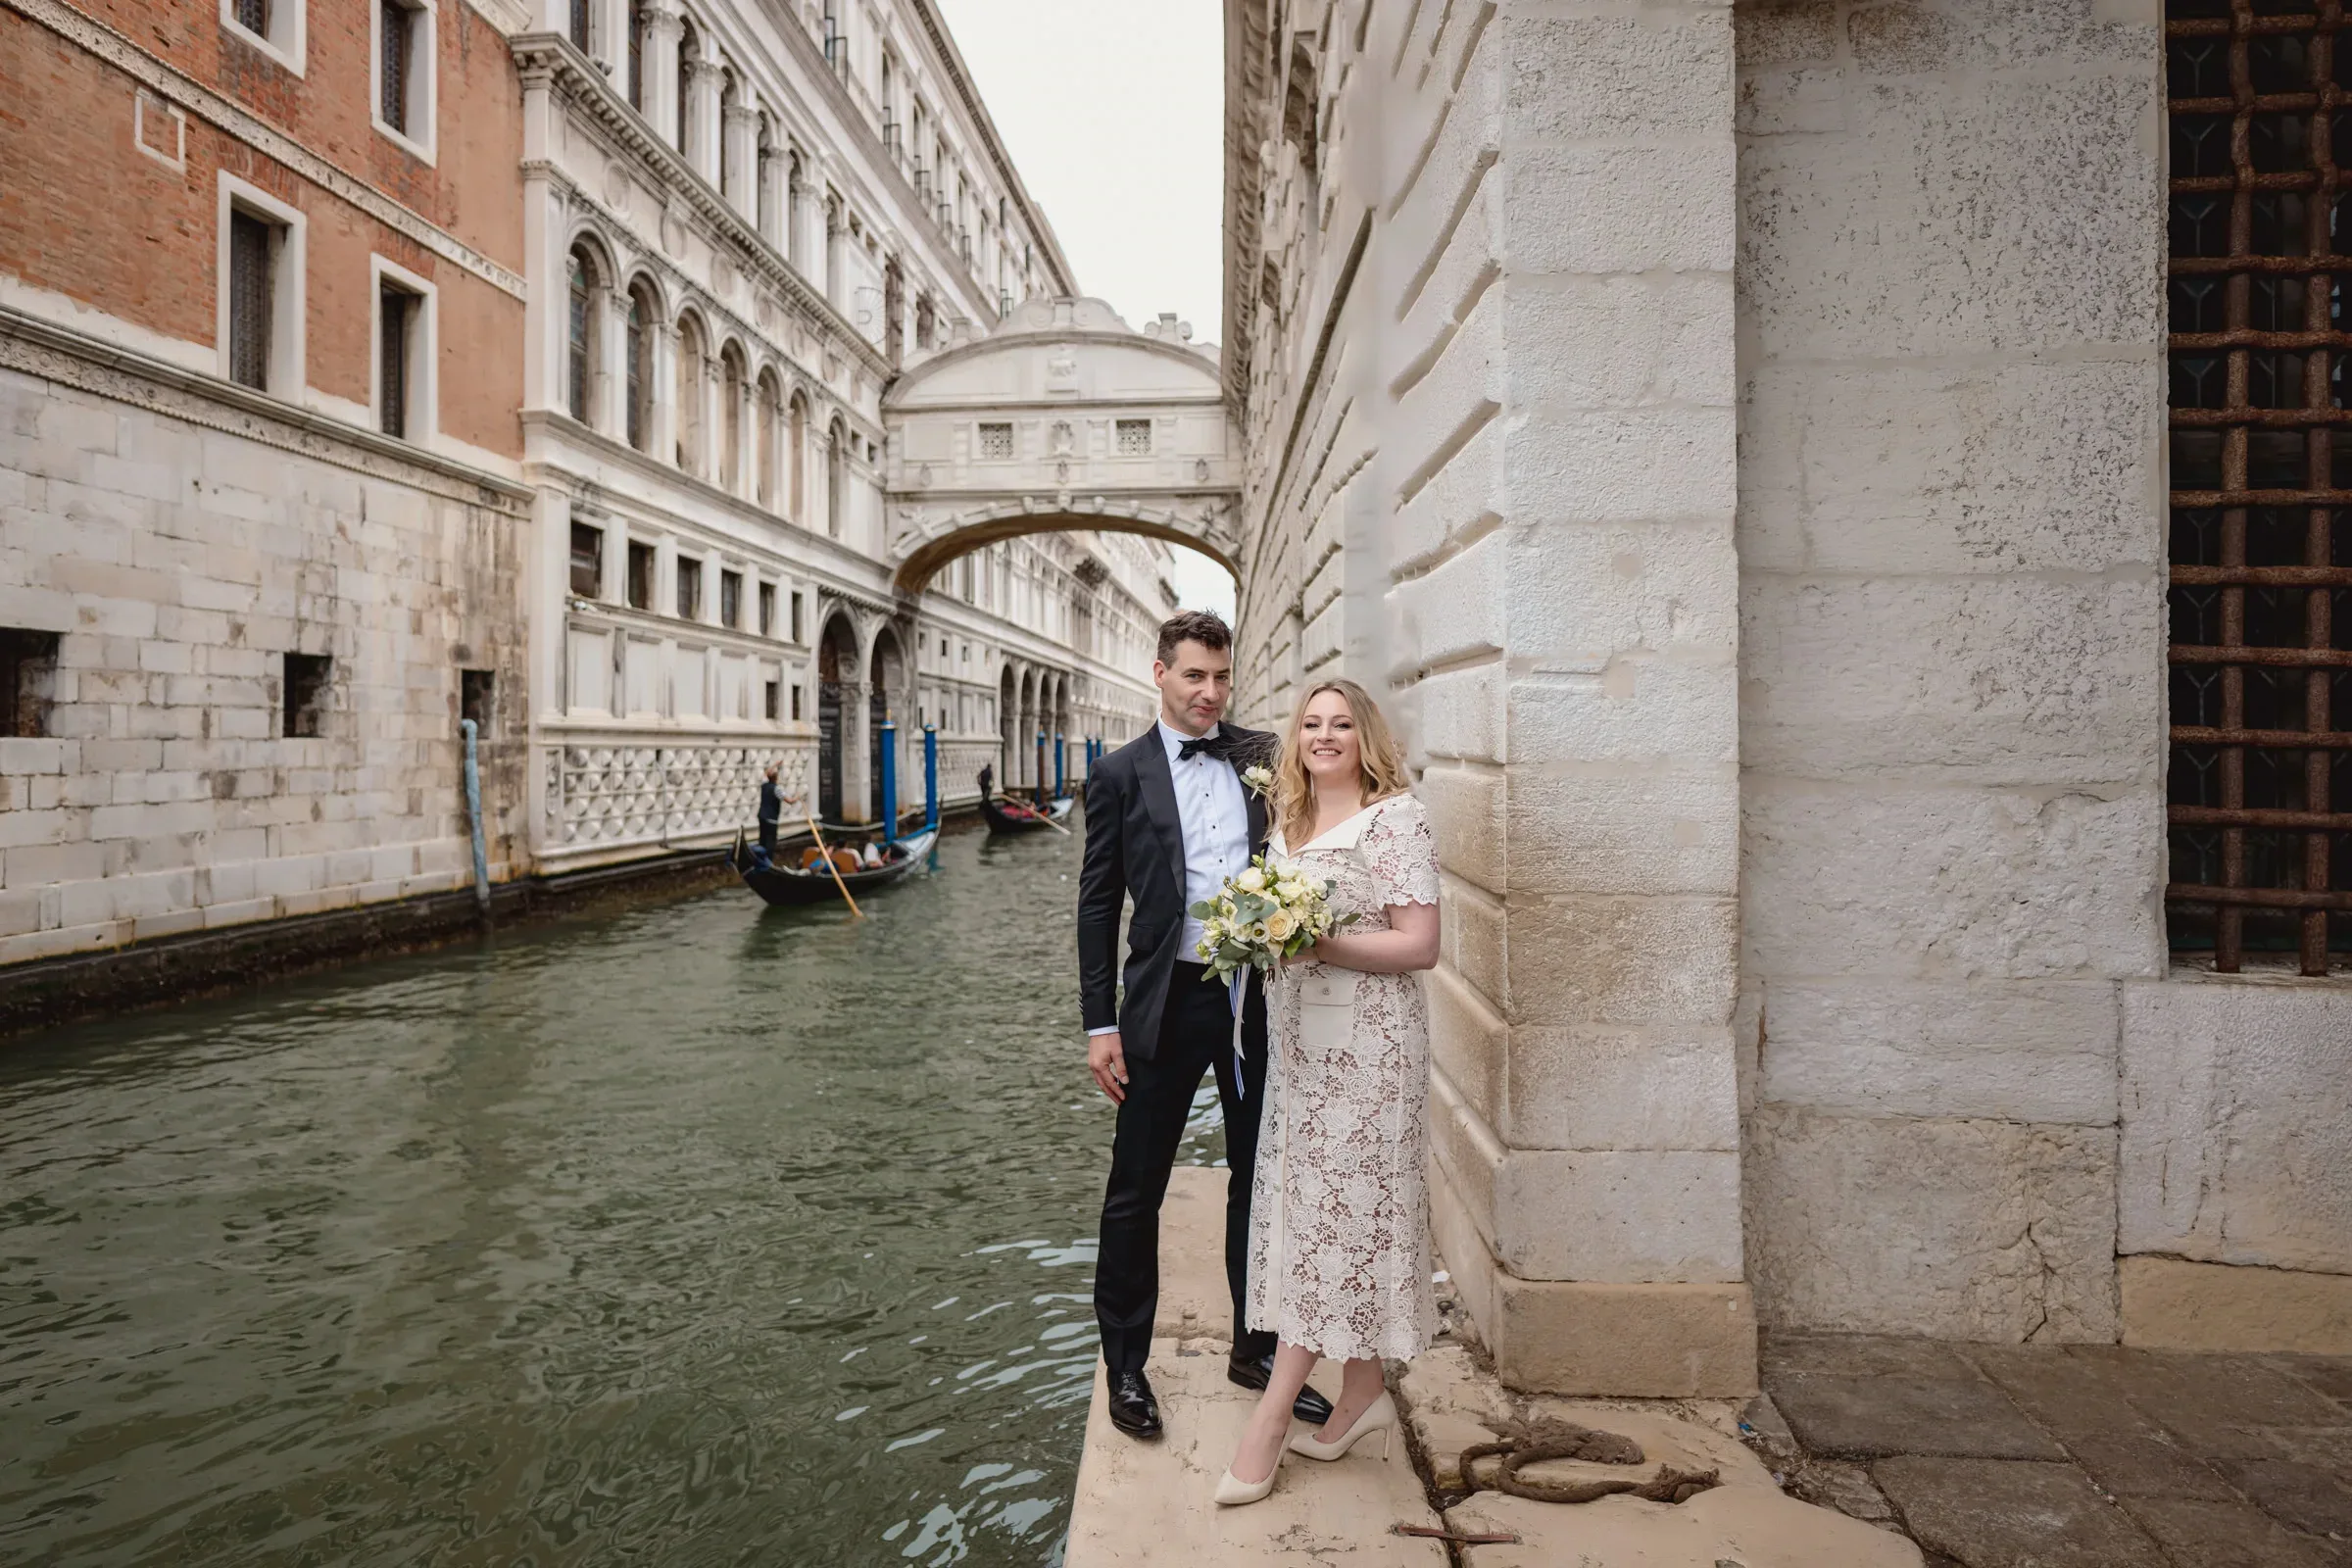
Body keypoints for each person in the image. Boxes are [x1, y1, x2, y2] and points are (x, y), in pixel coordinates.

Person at [1076, 611, 1335, 1444]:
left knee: (1261, 1175)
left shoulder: (1264, 756)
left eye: (1221, 678)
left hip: (1260, 995)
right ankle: (1125, 1364)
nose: (1210, 694)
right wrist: (1097, 1024)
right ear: (1161, 674)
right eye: (1194, 677)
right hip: (1164, 999)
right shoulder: (1119, 774)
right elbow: (1097, 906)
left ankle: (1255, 1350)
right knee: (1135, 1187)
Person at [1216, 678, 1441, 1507]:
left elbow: (1421, 945)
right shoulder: (1289, 819)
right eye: (1311, 723)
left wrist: (1316, 942)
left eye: (1341, 724)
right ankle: (1361, 1392)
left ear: (1365, 736)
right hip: (1303, 1048)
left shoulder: (1397, 819)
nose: (1323, 736)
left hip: (1372, 1055)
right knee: (1320, 1211)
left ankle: (1273, 1416)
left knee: (1335, 1218)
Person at [756, 762, 794, 867]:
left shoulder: (764, 785)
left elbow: (765, 773)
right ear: (776, 778)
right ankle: (768, 863)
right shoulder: (777, 789)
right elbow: (789, 801)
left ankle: (760, 861)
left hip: (762, 816)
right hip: (771, 819)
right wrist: (797, 798)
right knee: (770, 843)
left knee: (762, 840)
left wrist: (776, 764)